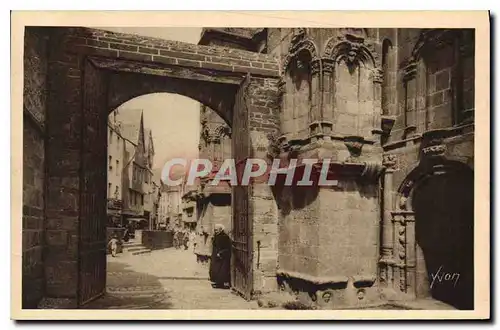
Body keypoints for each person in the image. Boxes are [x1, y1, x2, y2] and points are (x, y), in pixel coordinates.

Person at [209, 224, 232, 289]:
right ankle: (218, 283)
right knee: (216, 270)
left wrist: (221, 253)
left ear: (221, 229)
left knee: (222, 271)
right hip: (216, 256)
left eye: (216, 230)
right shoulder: (216, 236)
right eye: (214, 230)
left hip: (222, 256)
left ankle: (222, 284)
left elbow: (227, 247)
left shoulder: (224, 237)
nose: (215, 231)